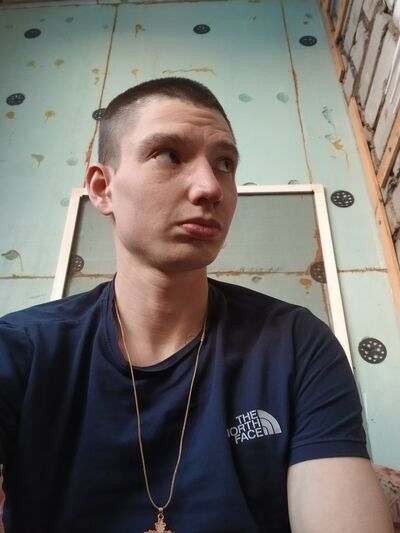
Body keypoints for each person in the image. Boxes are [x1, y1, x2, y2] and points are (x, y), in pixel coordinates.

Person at [0, 77, 393, 533]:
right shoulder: (22, 350)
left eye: (225, 163)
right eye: (169, 154)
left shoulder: (297, 345)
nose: (211, 188)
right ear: (102, 188)